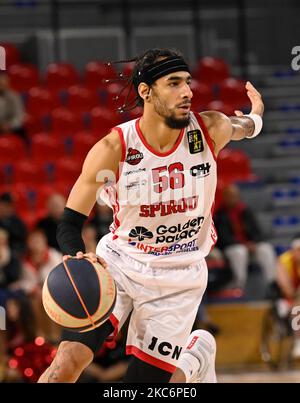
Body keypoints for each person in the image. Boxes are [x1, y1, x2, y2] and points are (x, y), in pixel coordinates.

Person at [38, 48, 264, 383]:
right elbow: (70, 221)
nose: (187, 92)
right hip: (119, 264)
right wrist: (76, 255)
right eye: (173, 83)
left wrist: (256, 116)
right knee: (63, 368)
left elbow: (242, 126)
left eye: (187, 82)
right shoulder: (114, 148)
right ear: (146, 91)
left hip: (180, 275)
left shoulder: (209, 129)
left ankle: (193, 359)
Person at [214, 184, 276, 292]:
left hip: (250, 247)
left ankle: (273, 284)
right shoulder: (220, 214)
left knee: (266, 248)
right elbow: (223, 238)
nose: (232, 198)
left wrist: (253, 243)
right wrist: (243, 244)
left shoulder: (246, 211)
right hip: (231, 248)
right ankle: (239, 284)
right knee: (240, 251)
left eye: (234, 196)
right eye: (229, 196)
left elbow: (258, 232)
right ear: (225, 197)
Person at [276, 235, 300, 357]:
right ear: (293, 250)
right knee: (298, 307)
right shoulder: (284, 260)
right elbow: (286, 287)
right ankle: (298, 340)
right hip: (286, 297)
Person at [0, 192, 27, 258]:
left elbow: (23, 240)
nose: (8, 208)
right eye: (6, 205)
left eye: (11, 206)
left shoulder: (17, 222)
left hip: (14, 255)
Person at [0, 71, 26, 140]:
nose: (2, 86)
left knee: (22, 131)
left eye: (4, 84)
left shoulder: (14, 96)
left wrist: (10, 125)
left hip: (12, 127)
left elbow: (19, 115)